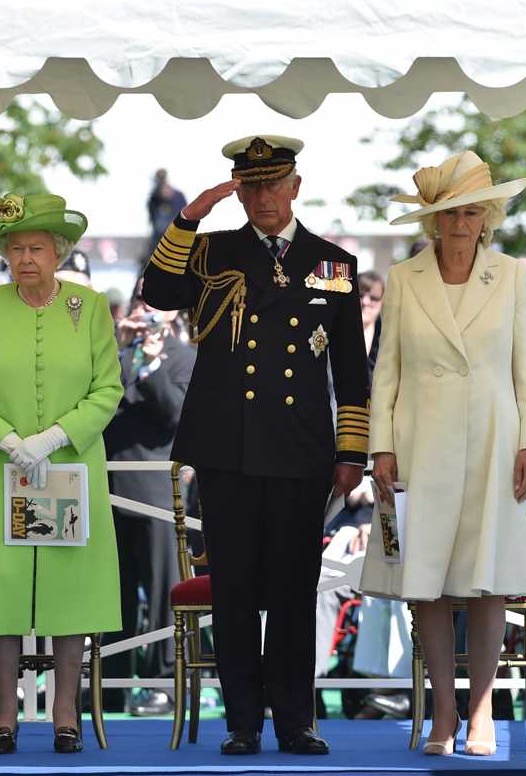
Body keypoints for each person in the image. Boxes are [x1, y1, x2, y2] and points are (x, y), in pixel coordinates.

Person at [141, 135, 370, 756]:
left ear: (295, 186)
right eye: (250, 186)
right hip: (228, 447)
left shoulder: (332, 264)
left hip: (300, 449)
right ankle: (243, 720)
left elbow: (352, 368)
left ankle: (296, 718)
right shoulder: (211, 250)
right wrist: (188, 218)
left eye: (273, 184)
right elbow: (156, 293)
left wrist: (351, 453)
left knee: (295, 589)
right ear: (237, 190)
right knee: (236, 589)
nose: (262, 196)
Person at [362, 150, 526, 757]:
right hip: (420, 447)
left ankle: (483, 708)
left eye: (470, 212)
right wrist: (379, 446)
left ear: (486, 217)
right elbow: (386, 370)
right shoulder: (404, 277)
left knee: (487, 582)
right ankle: (443, 710)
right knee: (427, 583)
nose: (460, 223)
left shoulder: (513, 274)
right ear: (432, 220)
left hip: (495, 444)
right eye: (448, 213)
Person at [0, 191, 123, 755]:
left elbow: (108, 388)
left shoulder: (90, 306)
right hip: (5, 471)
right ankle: (4, 711)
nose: (26, 257)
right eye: (15, 248)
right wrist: (7, 440)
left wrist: (55, 437)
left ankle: (65, 710)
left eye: (37, 248)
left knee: (67, 590)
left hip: (69, 467)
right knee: (2, 592)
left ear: (60, 252)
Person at [101, 275, 195, 717]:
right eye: (140, 297)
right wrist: (117, 351)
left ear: (174, 309)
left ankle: (163, 686)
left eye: (156, 300)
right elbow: (91, 404)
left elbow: (174, 416)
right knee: (111, 596)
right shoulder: (110, 354)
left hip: (155, 495)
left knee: (162, 595)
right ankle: (111, 685)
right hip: (106, 492)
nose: (145, 306)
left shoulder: (183, 358)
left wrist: (154, 366)